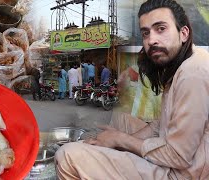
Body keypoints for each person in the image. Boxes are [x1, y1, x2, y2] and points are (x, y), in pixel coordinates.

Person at [55, 0, 209, 179]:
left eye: (161, 29)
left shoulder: (193, 73)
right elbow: (162, 123)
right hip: (174, 150)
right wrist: (122, 141)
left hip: (180, 173)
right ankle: (111, 159)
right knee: (122, 118)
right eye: (146, 33)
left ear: (183, 33)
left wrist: (121, 140)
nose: (151, 40)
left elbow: (179, 156)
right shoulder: (182, 62)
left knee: (66, 155)